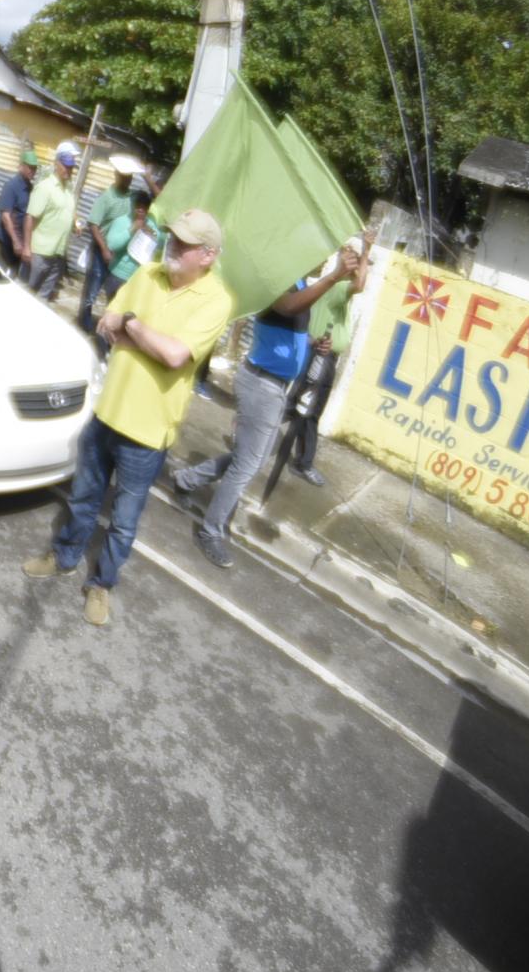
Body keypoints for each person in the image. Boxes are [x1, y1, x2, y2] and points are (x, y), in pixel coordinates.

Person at [24, 208, 233, 626]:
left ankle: (101, 584)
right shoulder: (148, 273)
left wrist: (133, 324)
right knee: (83, 496)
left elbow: (175, 356)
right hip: (108, 412)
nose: (173, 245)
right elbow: (106, 324)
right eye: (173, 236)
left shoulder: (217, 301)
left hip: (149, 431)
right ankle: (65, 555)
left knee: (123, 520)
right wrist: (143, 335)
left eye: (185, 244)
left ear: (208, 255)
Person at [168, 244, 351, 567]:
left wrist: (311, 343)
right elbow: (290, 308)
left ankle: (188, 479)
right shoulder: (276, 285)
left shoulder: (297, 285)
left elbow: (287, 326)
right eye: (317, 253)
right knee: (247, 464)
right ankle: (210, 530)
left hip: (275, 387)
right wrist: (335, 277)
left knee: (251, 458)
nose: (322, 259)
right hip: (261, 385)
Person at [289, 235, 371, 488]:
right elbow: (359, 284)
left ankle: (301, 459)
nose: (361, 268)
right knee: (304, 406)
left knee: (304, 406)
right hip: (320, 357)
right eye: (357, 262)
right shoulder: (337, 288)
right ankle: (303, 462)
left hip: (325, 357)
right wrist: (367, 249)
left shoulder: (336, 290)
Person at [78, 154, 140, 332]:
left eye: (130, 177)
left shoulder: (131, 198)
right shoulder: (106, 197)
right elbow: (94, 224)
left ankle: (109, 323)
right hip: (101, 249)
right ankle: (84, 322)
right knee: (93, 288)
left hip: (120, 250)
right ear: (116, 175)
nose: (127, 180)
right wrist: (104, 249)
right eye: (124, 176)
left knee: (115, 291)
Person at [22, 145, 78, 302]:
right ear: (56, 164)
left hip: (58, 252)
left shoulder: (67, 190)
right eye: (65, 166)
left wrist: (74, 223)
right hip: (40, 252)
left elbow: (65, 212)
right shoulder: (45, 187)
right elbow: (30, 217)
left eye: (71, 167)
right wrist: (26, 247)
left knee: (43, 296)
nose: (68, 170)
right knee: (28, 292)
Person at [0, 148, 37, 274]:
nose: (32, 171)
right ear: (21, 166)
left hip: (19, 241)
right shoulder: (11, 186)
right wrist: (15, 241)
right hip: (4, 240)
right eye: (29, 167)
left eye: (34, 168)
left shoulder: (31, 188)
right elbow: (5, 216)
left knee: (13, 274)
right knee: (0, 273)